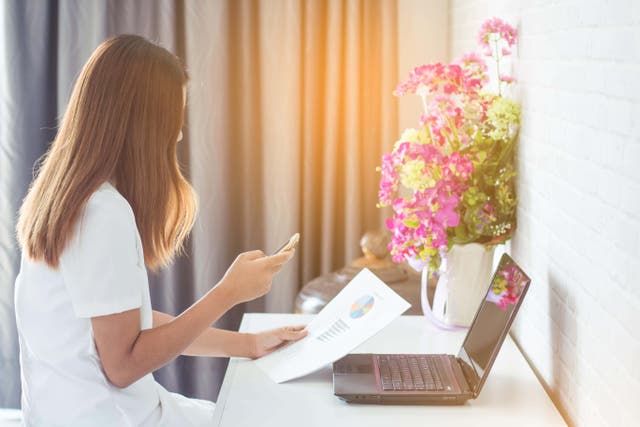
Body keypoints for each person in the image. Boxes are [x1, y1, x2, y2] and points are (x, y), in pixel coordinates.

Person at [13, 34, 306, 426]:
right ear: (144, 125)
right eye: (175, 121)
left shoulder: (62, 199)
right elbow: (124, 364)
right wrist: (228, 293)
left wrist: (247, 344)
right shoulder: (103, 215)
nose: (180, 135)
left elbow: (132, 324)